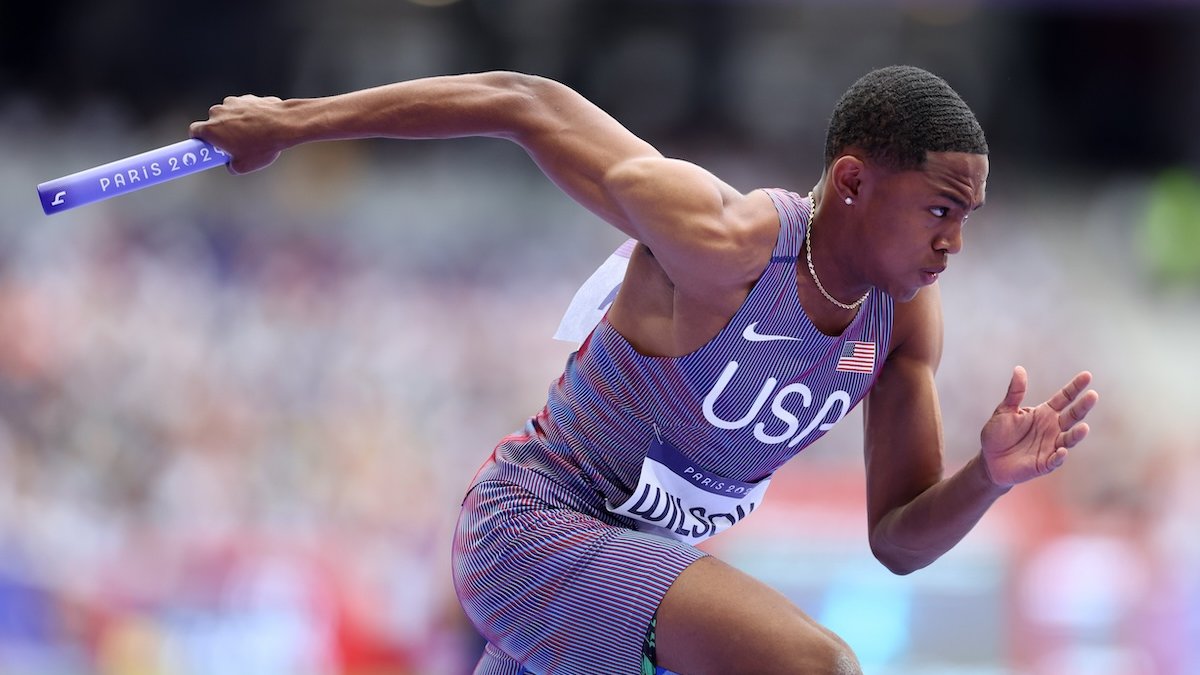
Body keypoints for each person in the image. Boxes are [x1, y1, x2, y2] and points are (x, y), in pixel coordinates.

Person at [190, 65, 1099, 675]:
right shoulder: (727, 242)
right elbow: (524, 102)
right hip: (532, 529)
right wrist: (292, 124)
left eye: (970, 216)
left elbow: (896, 539)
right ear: (854, 182)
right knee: (820, 667)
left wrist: (986, 477)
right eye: (942, 207)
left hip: (634, 568)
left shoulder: (902, 320)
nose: (956, 240)